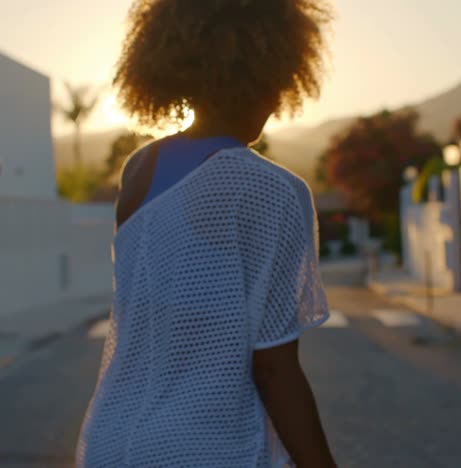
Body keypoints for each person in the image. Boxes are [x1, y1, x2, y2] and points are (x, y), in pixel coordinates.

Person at [75, 1, 337, 467]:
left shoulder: (139, 170)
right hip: (208, 448)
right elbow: (275, 368)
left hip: (111, 441)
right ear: (269, 72)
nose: (279, 100)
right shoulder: (271, 190)